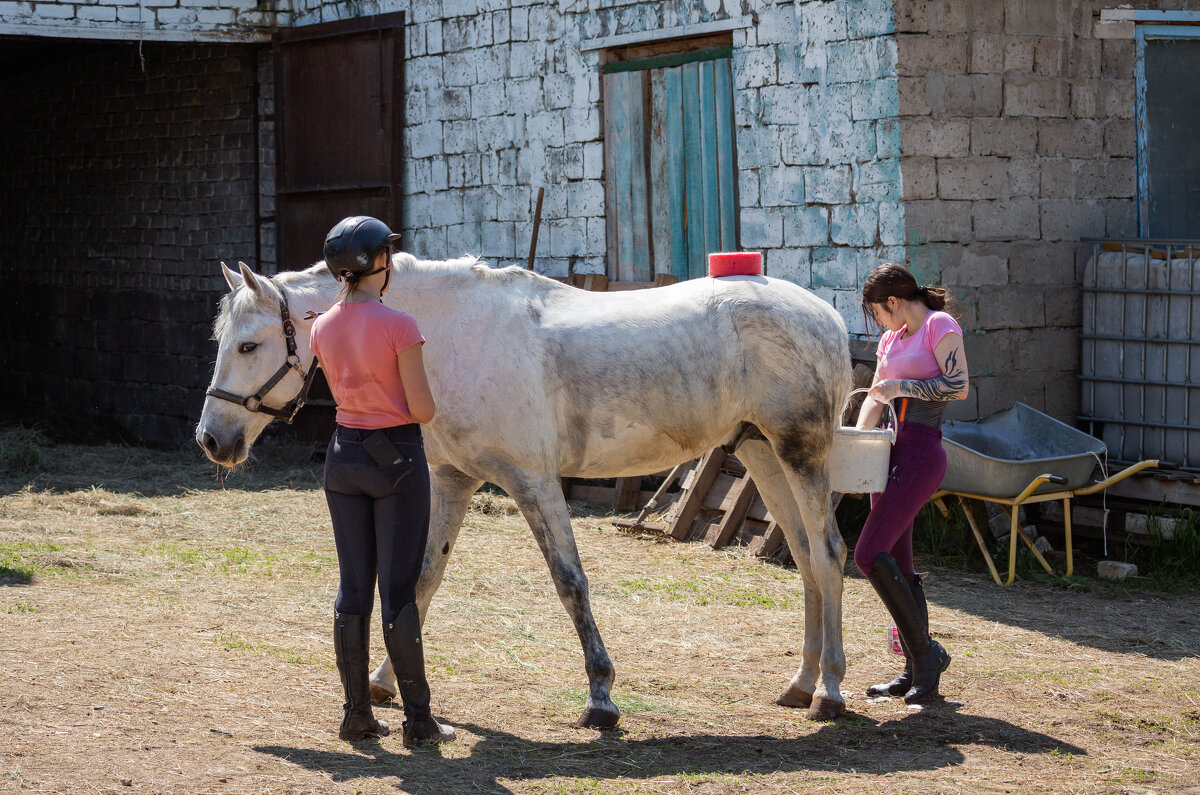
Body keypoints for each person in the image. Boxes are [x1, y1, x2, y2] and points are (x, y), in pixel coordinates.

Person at [310, 215, 455, 746]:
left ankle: (356, 715)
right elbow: (423, 410)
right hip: (396, 461)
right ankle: (418, 720)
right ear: (380, 263)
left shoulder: (322, 327)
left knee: (353, 590)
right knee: (397, 592)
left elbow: (346, 395)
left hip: (343, 458)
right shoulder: (400, 325)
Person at [854, 262, 969, 704]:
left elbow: (957, 387)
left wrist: (901, 386)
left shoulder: (939, 324)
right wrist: (855, 445)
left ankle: (927, 656)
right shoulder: (890, 338)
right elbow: (876, 397)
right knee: (899, 564)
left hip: (921, 450)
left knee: (868, 553)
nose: (879, 322)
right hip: (887, 452)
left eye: (878, 313)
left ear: (894, 302)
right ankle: (915, 666)